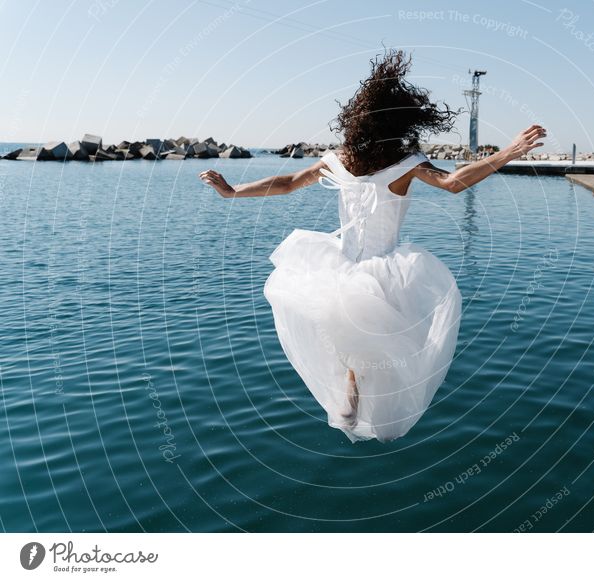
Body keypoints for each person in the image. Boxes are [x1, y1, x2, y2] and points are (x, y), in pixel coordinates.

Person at [200, 49, 546, 442]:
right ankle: (355, 395)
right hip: (385, 270)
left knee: (351, 334)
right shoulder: (407, 162)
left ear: (357, 120)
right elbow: (454, 183)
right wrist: (509, 152)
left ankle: (350, 395)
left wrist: (233, 192)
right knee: (389, 341)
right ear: (402, 122)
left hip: (340, 267)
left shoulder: (339, 159)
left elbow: (287, 183)